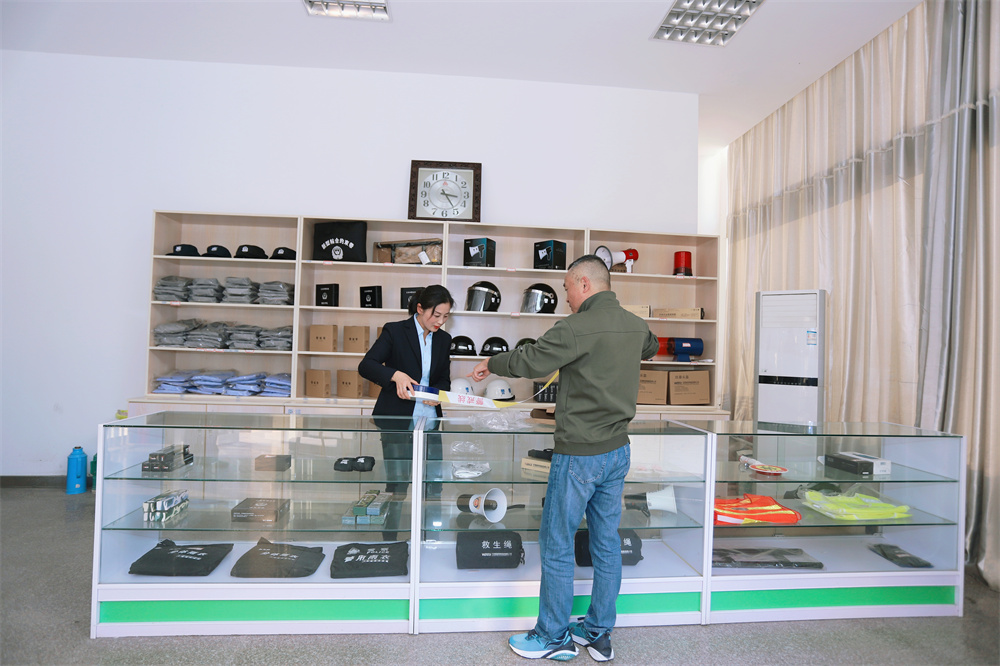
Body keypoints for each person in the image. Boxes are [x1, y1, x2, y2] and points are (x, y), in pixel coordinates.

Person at [470, 255, 658, 662]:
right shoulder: (634, 324)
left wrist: (492, 362)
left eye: (568, 288)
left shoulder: (575, 327)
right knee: (606, 543)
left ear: (584, 283)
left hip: (580, 455)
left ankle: (553, 635)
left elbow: (531, 360)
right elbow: (652, 346)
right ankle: (598, 632)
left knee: (557, 543)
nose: (566, 298)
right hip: (618, 451)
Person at [359, 284, 454, 535]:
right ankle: (390, 540)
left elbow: (444, 379)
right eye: (436, 315)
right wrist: (395, 375)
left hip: (430, 421)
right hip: (397, 420)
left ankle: (428, 538)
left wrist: (438, 393)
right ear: (420, 308)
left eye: (446, 316)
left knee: (433, 485)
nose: (440, 322)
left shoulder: (444, 339)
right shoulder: (395, 331)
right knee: (398, 486)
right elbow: (366, 365)